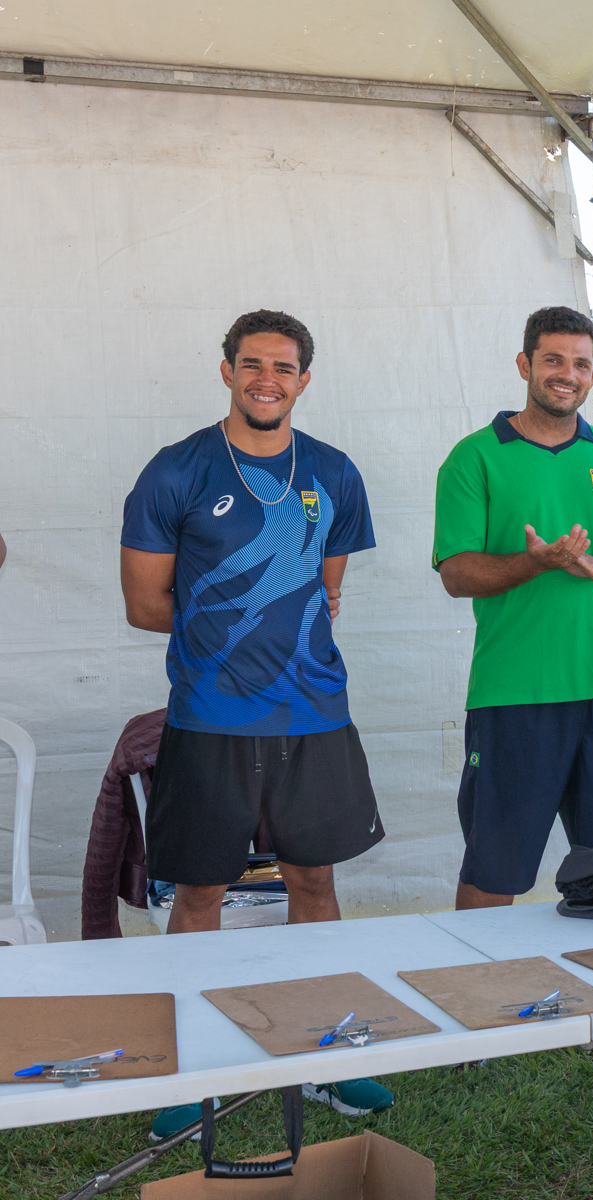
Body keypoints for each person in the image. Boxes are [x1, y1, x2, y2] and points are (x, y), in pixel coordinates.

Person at [120, 309, 392, 1129]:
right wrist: (231, 631)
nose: (266, 380)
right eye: (251, 364)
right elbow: (145, 605)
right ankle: (192, 1073)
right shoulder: (177, 470)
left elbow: (327, 591)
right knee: (201, 891)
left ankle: (324, 1056)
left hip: (314, 716)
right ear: (227, 371)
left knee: (314, 880)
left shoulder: (333, 472)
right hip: (211, 720)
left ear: (303, 379)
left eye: (282, 367)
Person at [433, 306, 593, 922]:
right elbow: (457, 574)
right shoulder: (474, 457)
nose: (567, 374)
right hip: (514, 696)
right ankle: (479, 981)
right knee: (494, 872)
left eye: (581, 364)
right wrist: (534, 563)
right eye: (553, 360)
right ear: (525, 365)